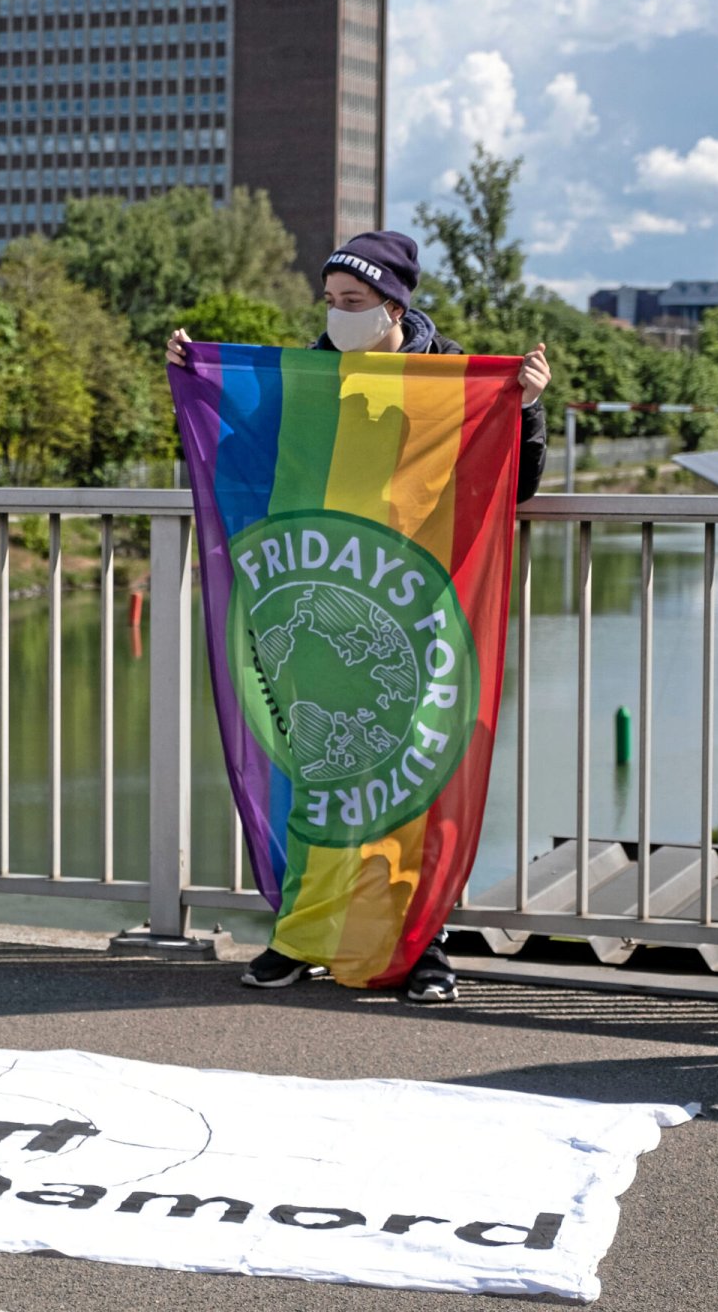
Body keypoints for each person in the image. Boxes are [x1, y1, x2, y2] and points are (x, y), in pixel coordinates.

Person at [167, 229, 550, 1005]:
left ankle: (423, 946)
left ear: (395, 306)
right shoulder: (309, 377)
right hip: (325, 598)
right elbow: (244, 456)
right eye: (331, 300)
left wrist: (528, 407)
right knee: (321, 777)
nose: (337, 314)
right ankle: (301, 935)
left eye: (354, 301)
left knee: (414, 781)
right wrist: (198, 377)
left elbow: (515, 484)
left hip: (414, 607)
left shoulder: (451, 375)